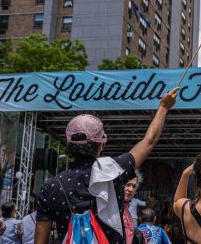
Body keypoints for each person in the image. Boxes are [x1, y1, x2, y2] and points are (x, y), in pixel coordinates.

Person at [35, 88, 178, 243]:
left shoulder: (50, 187)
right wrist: (163, 107)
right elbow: (149, 141)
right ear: (101, 146)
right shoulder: (114, 170)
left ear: (68, 145)